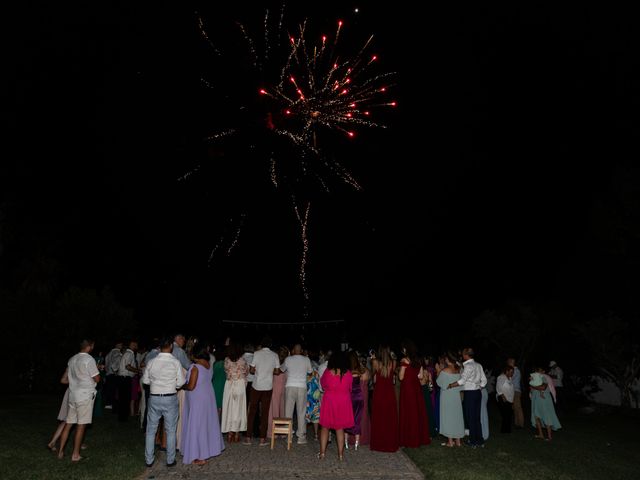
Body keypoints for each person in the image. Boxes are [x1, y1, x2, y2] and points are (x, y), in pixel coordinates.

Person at [142, 337, 185, 468]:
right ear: (171, 347)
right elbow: (181, 382)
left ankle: (149, 460)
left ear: (159, 348)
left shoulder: (152, 362)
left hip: (154, 397)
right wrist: (173, 385)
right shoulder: (175, 362)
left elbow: (145, 381)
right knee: (170, 430)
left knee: (151, 430)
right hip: (170, 397)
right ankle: (170, 460)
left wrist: (155, 383)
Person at [57, 339, 100, 462]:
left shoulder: (72, 359)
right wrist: (97, 371)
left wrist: (77, 381)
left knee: (69, 423)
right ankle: (75, 455)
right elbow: (97, 379)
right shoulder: (89, 359)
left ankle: (60, 452)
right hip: (84, 396)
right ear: (90, 346)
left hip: (73, 395)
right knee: (81, 426)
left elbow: (64, 379)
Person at [181, 347, 225, 465]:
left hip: (198, 399)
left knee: (197, 425)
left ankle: (199, 456)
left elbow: (191, 386)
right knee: (205, 424)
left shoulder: (195, 367)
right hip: (207, 398)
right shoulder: (208, 365)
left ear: (195, 355)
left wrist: (181, 385)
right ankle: (207, 450)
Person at [317, 350, 354, 460]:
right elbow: (350, 388)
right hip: (343, 401)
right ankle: (340, 455)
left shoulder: (328, 372)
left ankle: (322, 453)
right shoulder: (348, 374)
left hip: (330, 401)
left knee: (325, 428)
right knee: (340, 428)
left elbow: (323, 385)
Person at [245, 336, 281, 446]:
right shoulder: (275, 355)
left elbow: (251, 370)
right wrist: (270, 371)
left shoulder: (256, 354)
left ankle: (248, 438)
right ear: (270, 345)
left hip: (256, 386)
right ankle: (262, 439)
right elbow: (278, 371)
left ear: (262, 344)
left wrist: (257, 370)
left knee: (252, 412)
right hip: (267, 387)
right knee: (265, 413)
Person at [448, 347, 486, 448]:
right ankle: (480, 440)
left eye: (463, 353)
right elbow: (484, 380)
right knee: (476, 417)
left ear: (466, 355)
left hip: (470, 393)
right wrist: (479, 387)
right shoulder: (478, 365)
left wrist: (451, 385)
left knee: (470, 417)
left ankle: (473, 441)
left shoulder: (469, 366)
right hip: (477, 393)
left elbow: (462, 381)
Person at [398, 340, 430, 447]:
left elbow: (400, 377)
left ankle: (409, 438)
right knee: (416, 412)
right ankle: (418, 437)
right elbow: (420, 376)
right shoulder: (418, 360)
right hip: (416, 388)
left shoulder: (404, 360)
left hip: (407, 389)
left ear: (406, 349)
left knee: (408, 412)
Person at [370, 345, 399, 452]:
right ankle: (390, 443)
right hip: (389, 394)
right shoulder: (393, 363)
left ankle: (379, 443)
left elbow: (374, 380)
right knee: (389, 419)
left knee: (379, 418)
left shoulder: (375, 362)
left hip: (379, 394)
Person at [281, 344, 312, 444]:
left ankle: (288, 436)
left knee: (288, 411)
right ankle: (301, 437)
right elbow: (310, 371)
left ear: (293, 350)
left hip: (290, 386)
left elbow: (281, 369)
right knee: (301, 412)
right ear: (301, 350)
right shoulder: (306, 359)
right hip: (302, 387)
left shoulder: (288, 359)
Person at [221, 342, 248, 442]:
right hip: (240, 384)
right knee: (239, 409)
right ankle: (236, 434)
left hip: (230, 383)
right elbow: (246, 372)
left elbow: (226, 371)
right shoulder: (243, 360)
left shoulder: (227, 360)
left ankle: (229, 434)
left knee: (229, 409)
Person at [435, 353, 464, 447]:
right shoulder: (458, 370)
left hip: (447, 396)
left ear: (448, 360)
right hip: (456, 396)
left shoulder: (445, 370)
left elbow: (439, 382)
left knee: (448, 417)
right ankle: (458, 441)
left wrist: (438, 370)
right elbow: (461, 384)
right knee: (457, 417)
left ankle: (450, 441)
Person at [529, 368, 561, 441]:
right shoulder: (534, 378)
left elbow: (543, 387)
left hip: (544, 400)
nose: (537, 372)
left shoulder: (545, 377)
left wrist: (533, 386)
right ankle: (541, 434)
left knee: (547, 416)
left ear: (543, 371)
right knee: (536, 416)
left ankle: (549, 436)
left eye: (539, 370)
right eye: (536, 370)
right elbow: (531, 389)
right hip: (536, 399)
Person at [495, 365, 515, 433]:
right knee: (506, 415)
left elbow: (511, 389)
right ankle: (504, 431)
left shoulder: (510, 379)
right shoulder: (501, 377)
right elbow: (498, 387)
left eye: (513, 372)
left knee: (508, 415)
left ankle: (507, 430)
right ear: (507, 371)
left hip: (509, 399)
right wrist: (503, 397)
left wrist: (512, 400)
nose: (512, 374)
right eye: (511, 372)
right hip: (503, 398)